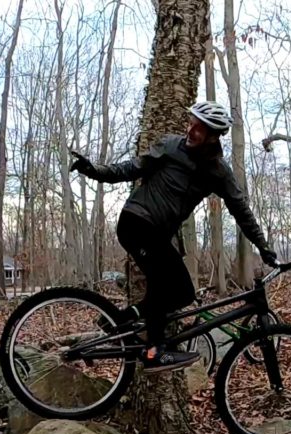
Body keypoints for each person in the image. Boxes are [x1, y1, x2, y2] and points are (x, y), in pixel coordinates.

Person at [70, 100, 277, 373]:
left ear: (213, 136)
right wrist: (95, 171)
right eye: (190, 124)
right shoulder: (170, 146)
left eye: (198, 129)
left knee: (182, 293)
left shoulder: (218, 172)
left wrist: (262, 245)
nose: (190, 131)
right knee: (166, 284)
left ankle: (120, 320)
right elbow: (131, 168)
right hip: (137, 223)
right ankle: (155, 352)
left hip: (157, 234)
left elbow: (241, 210)